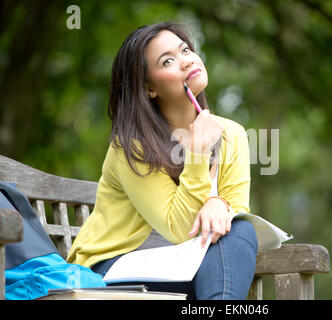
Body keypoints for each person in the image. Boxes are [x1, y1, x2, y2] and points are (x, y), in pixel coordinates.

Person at [67, 22, 258, 300]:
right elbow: (179, 227)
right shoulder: (130, 146)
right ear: (149, 88)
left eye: (185, 50)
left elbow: (236, 208)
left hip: (183, 265)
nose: (186, 61)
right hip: (110, 274)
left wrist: (221, 202)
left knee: (240, 231)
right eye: (168, 60)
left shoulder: (232, 134)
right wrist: (196, 153)